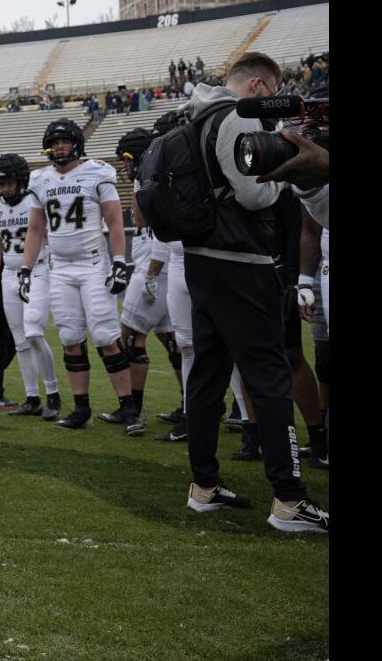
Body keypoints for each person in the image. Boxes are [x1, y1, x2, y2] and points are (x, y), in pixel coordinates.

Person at [175, 53, 328, 531]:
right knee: (269, 376)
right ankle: (288, 499)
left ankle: (204, 485)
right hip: (241, 261)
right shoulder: (233, 116)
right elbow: (253, 193)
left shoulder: (195, 116)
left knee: (208, 374)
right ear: (261, 87)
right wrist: (286, 180)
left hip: (202, 259)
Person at [19, 118, 138, 434]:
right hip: (60, 269)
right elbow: (35, 230)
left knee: (105, 336)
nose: (60, 146)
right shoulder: (40, 180)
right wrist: (26, 269)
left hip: (92, 265)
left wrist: (118, 262)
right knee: (70, 337)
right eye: (55, 141)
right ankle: (81, 407)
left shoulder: (97, 172)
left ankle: (129, 407)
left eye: (65, 141)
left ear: (76, 144)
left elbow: (114, 222)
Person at [106, 129, 180, 431]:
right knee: (171, 339)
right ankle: (191, 405)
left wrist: (151, 273)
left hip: (155, 265)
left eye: (127, 160)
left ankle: (133, 410)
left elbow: (144, 221)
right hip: (161, 265)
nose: (125, 167)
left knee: (129, 336)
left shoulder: (148, 178)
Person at [0, 154, 60, 418]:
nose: (5, 189)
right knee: (20, 341)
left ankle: (53, 394)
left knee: (33, 332)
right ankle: (32, 397)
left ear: (21, 180)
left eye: (9, 183)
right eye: (1, 184)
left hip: (38, 269)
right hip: (9, 275)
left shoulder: (34, 201)